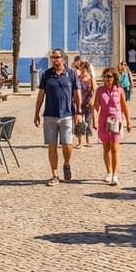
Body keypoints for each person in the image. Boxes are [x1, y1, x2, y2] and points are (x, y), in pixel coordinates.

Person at [33, 48, 83, 186]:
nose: (54, 60)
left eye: (57, 57)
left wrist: (78, 112)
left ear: (63, 58)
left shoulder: (71, 74)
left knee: (67, 144)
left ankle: (66, 163)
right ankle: (54, 174)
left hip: (67, 115)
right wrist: (36, 113)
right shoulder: (47, 74)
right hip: (49, 115)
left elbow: (77, 94)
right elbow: (41, 95)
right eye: (52, 57)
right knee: (52, 145)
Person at [94, 67, 131, 186]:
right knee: (106, 149)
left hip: (115, 120)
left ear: (114, 78)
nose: (106, 79)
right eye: (105, 76)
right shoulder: (99, 90)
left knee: (115, 149)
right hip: (103, 121)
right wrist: (94, 120)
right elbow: (95, 107)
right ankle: (108, 172)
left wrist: (128, 122)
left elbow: (124, 107)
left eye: (109, 76)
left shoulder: (119, 90)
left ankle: (115, 175)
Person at [76, 61, 96, 148]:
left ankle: (88, 141)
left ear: (86, 69)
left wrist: (92, 99)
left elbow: (95, 90)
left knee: (88, 122)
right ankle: (79, 142)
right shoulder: (77, 78)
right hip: (79, 103)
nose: (82, 70)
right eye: (81, 68)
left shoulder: (91, 78)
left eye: (84, 68)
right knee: (79, 122)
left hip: (88, 103)